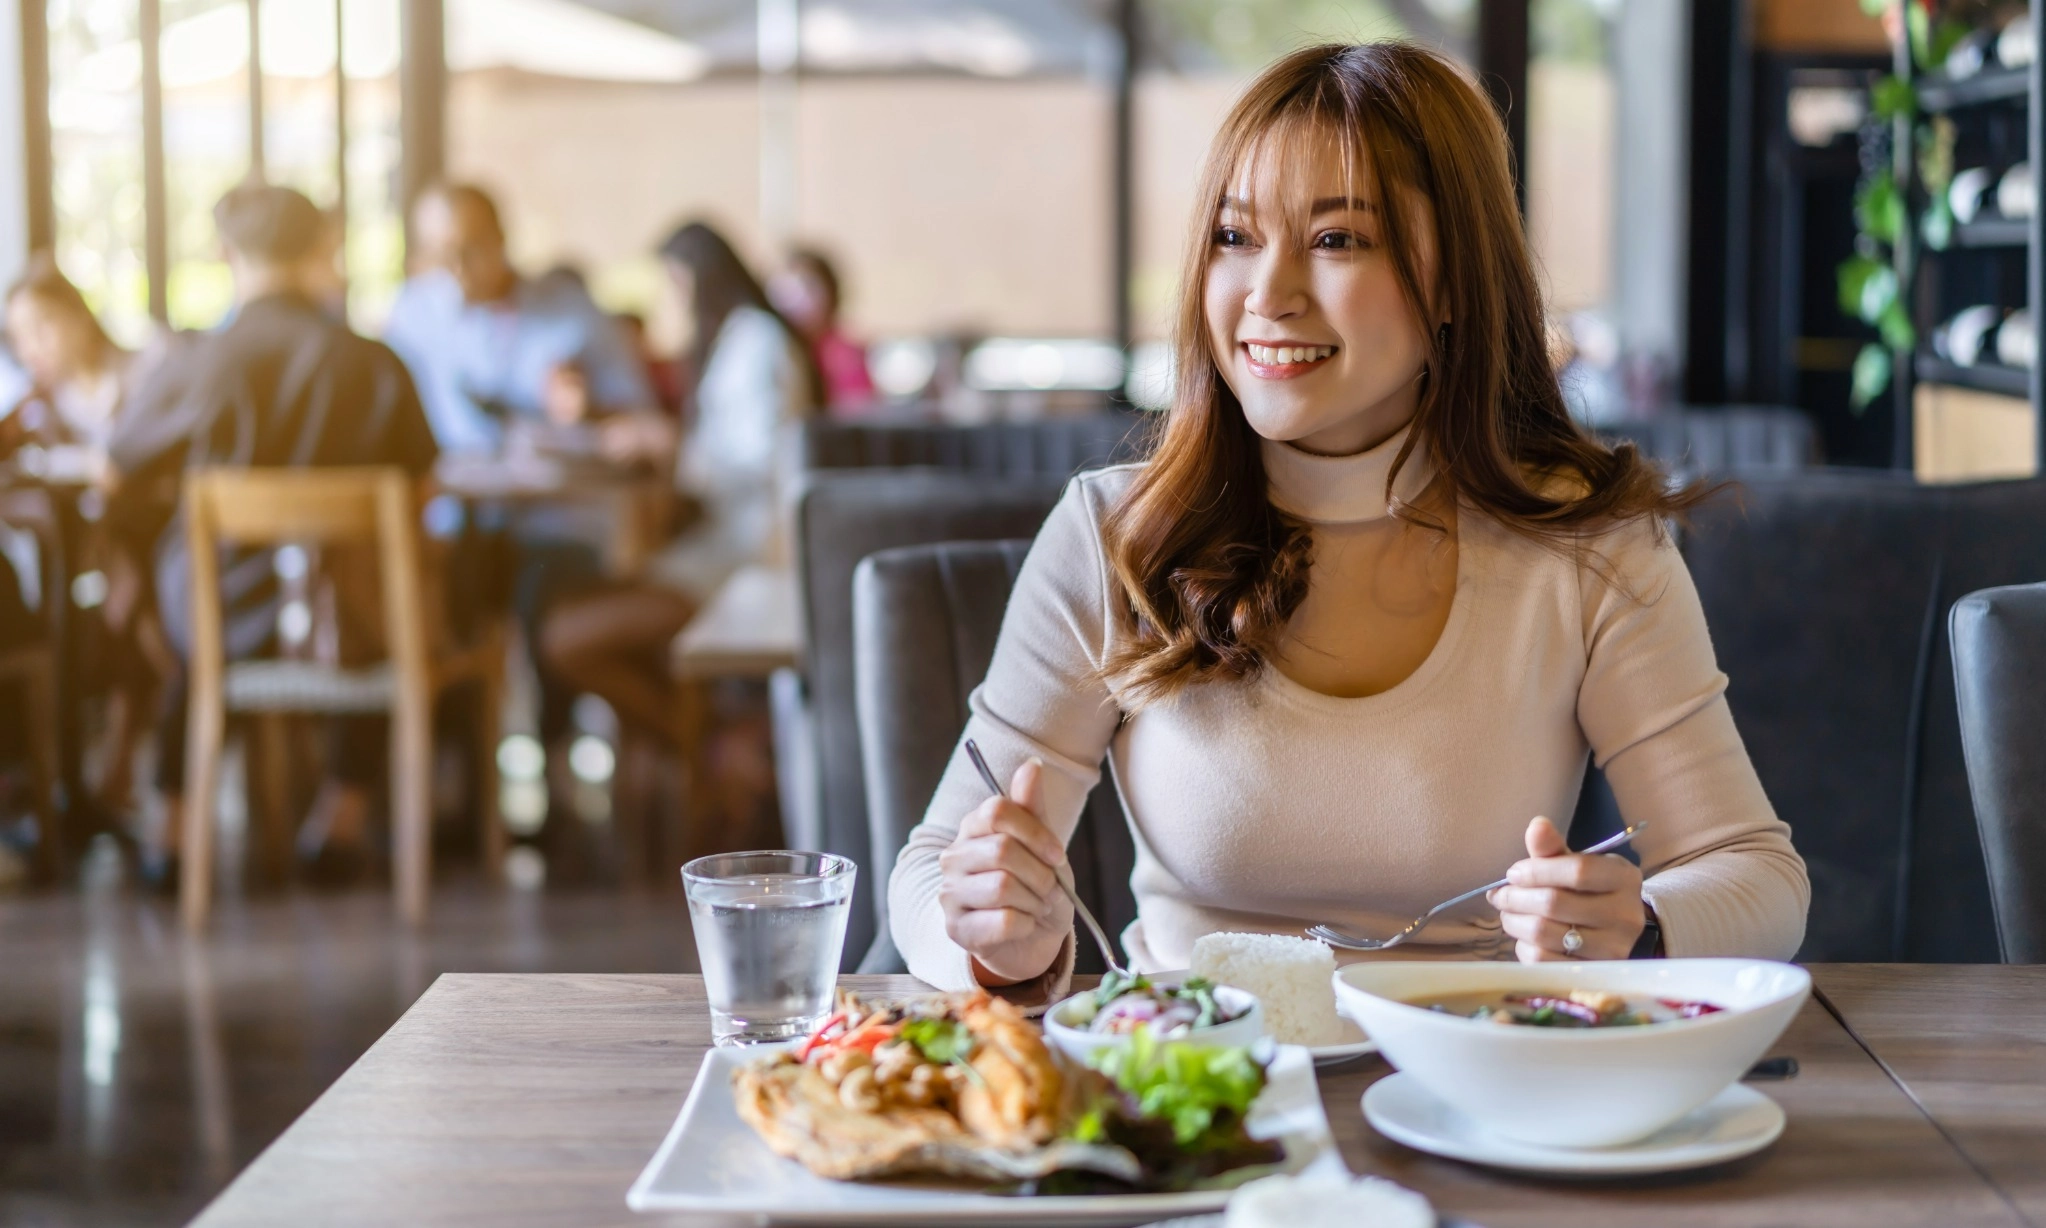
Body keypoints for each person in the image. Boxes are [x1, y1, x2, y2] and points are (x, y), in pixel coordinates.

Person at [889, 43, 1810, 1002]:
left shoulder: (1586, 546)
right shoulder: (1117, 532)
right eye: (1235, 237)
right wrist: (1000, 940)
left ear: (1454, 279)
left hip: (1478, 1084)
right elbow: (932, 873)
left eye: (1337, 241)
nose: (1267, 294)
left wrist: (1644, 927)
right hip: (1188, 1086)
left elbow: (1754, 871)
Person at [109, 183, 439, 883]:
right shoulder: (373, 360)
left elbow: (119, 466)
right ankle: (340, 818)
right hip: (344, 622)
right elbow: (423, 487)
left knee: (179, 619)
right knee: (373, 588)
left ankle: (169, 833)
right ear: (321, 248)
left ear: (226, 253)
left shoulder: (198, 358)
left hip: (218, 618)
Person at [539, 221, 815, 747]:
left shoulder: (757, 343)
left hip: (747, 558)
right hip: (719, 548)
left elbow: (755, 463)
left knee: (568, 635)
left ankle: (698, 745)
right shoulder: (740, 340)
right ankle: (694, 751)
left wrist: (669, 446)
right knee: (590, 613)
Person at [383, 183, 657, 453]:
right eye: (441, 256)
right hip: (451, 491)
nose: (457, 269)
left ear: (501, 237)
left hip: (557, 491)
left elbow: (641, 418)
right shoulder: (411, 319)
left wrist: (588, 413)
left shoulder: (573, 314)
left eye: (470, 251)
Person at [768, 247, 874, 414]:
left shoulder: (845, 355)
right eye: (786, 288)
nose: (796, 298)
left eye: (808, 287)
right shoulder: (776, 347)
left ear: (830, 291)